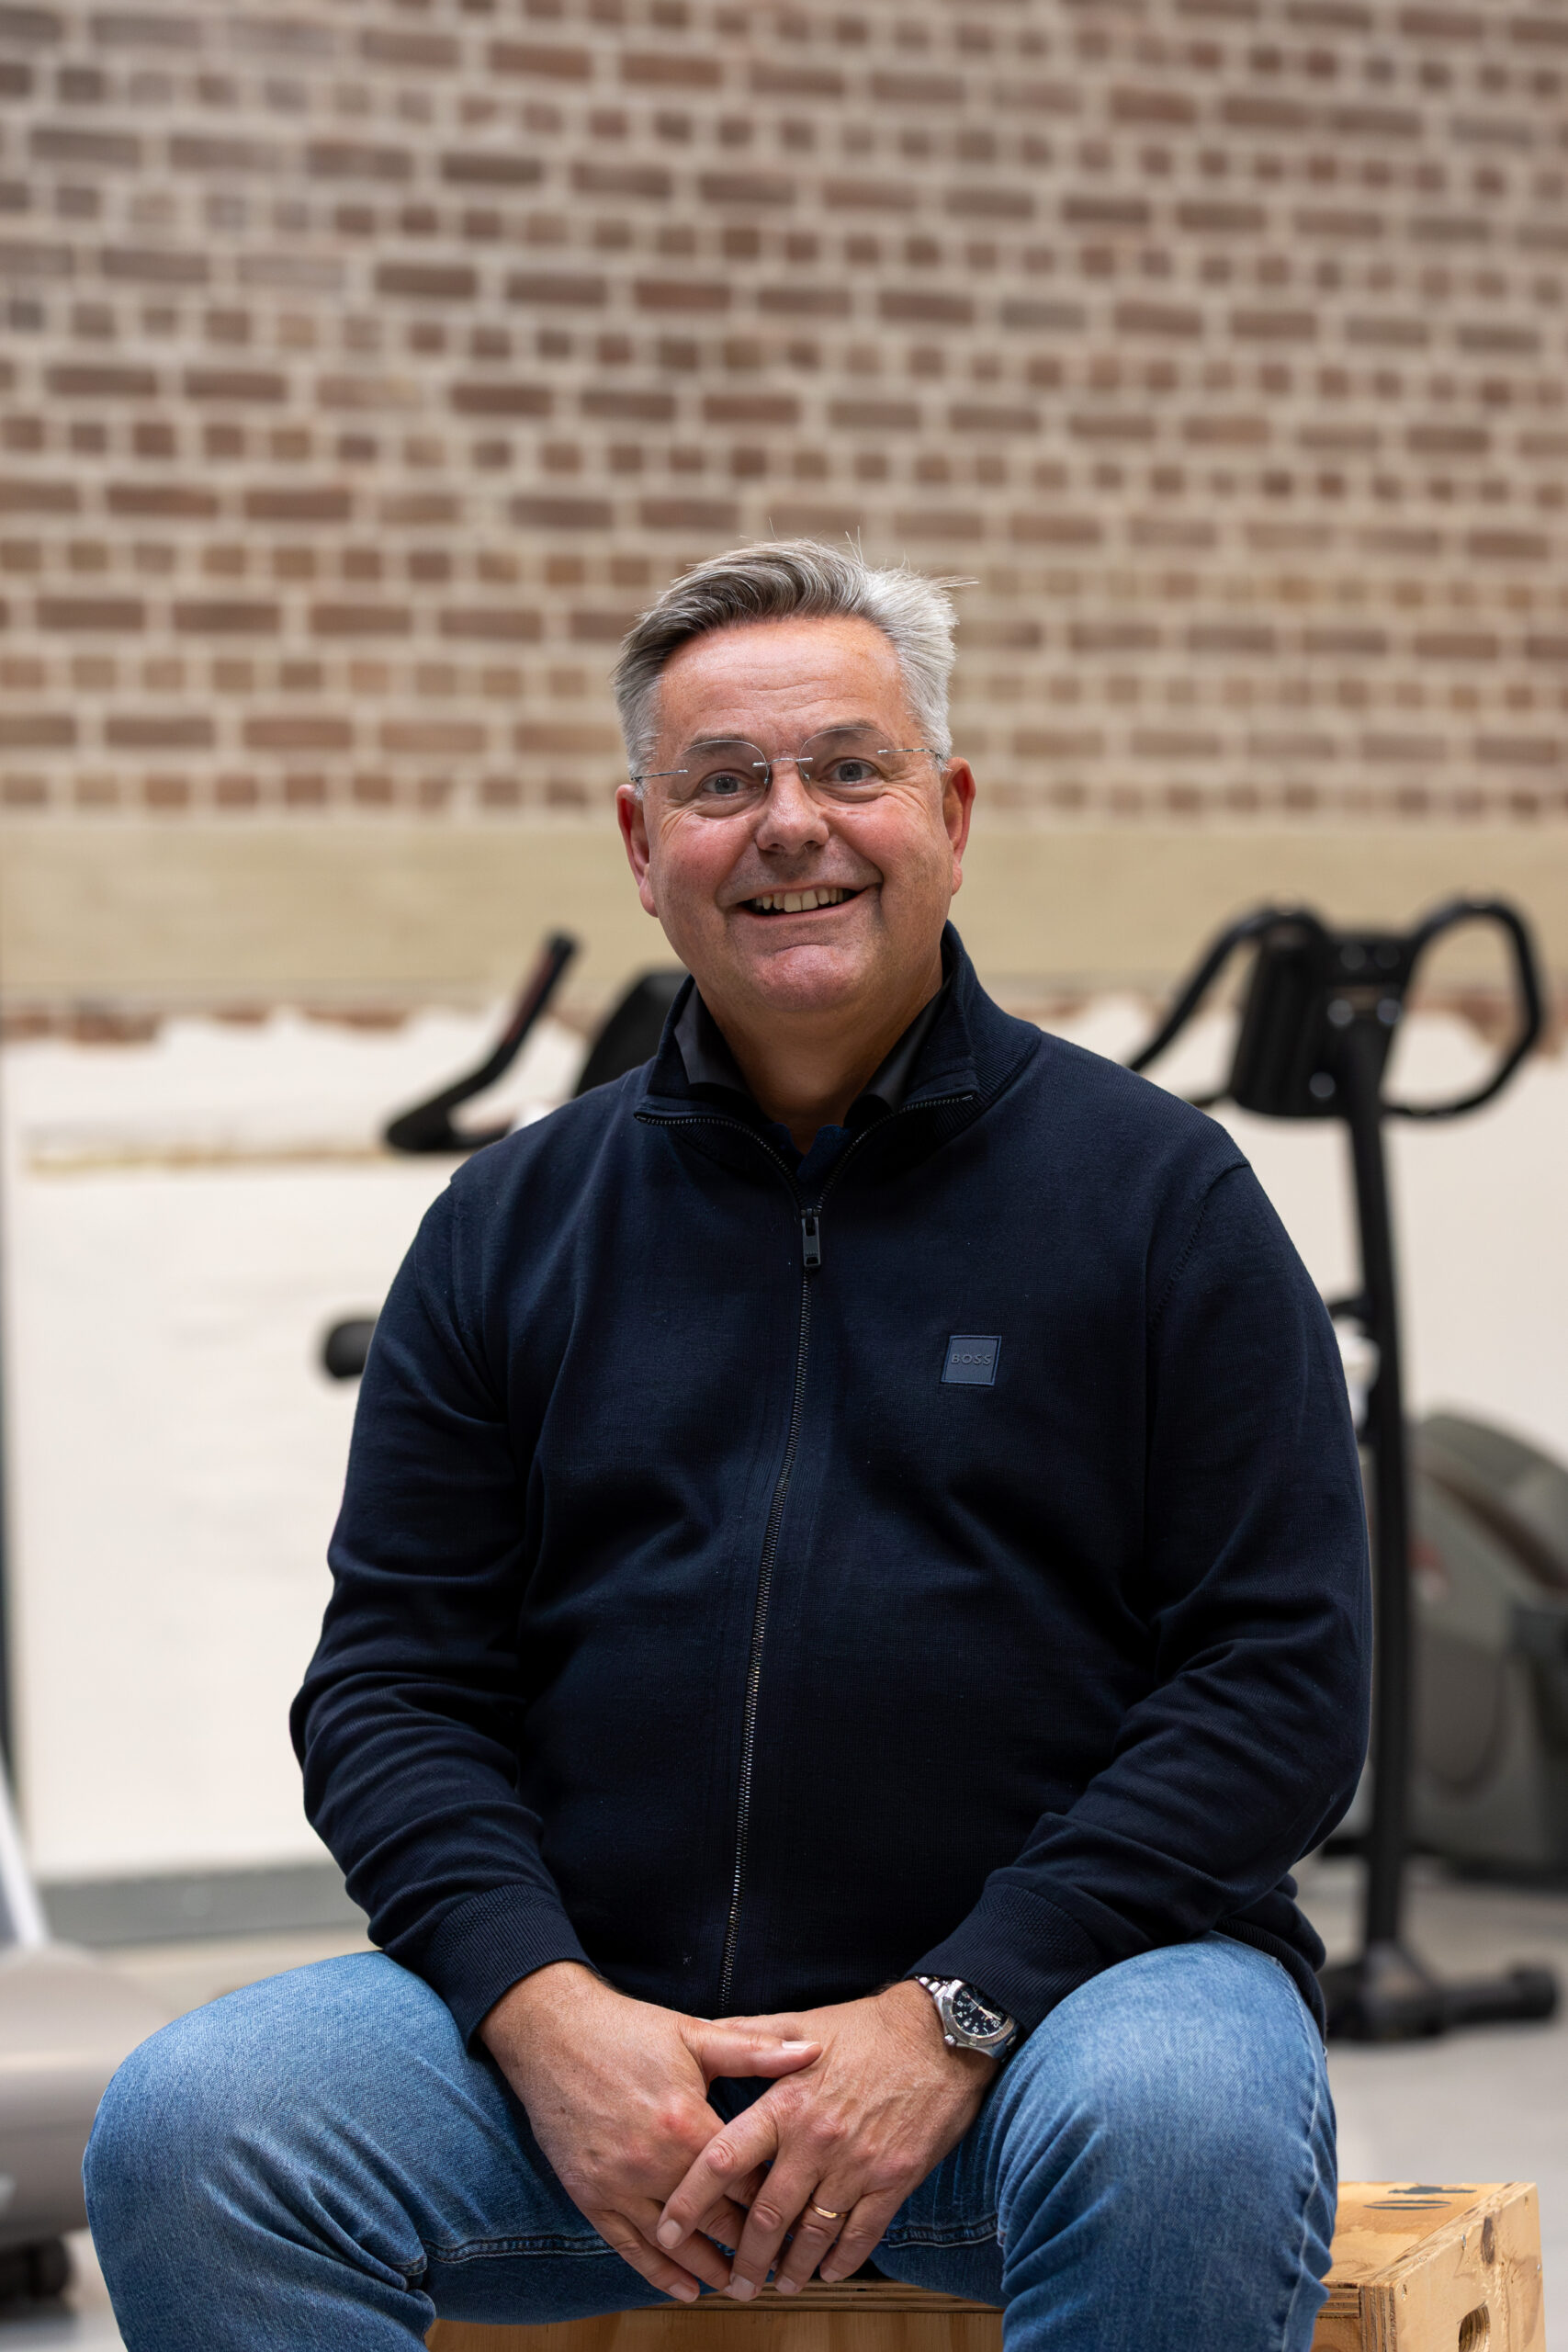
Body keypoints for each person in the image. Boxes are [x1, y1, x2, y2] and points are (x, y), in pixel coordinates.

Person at [85, 541, 1370, 2352]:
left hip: (1054, 2030)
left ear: (949, 813)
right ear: (640, 844)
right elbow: (390, 1686)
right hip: (603, 2061)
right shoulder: (510, 1223)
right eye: (721, 782)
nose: (789, 825)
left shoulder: (1161, 1201)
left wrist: (955, 2013)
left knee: (1185, 2119)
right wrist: (541, 2011)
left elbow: (1278, 1678)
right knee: (199, 2131)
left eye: (848, 767)